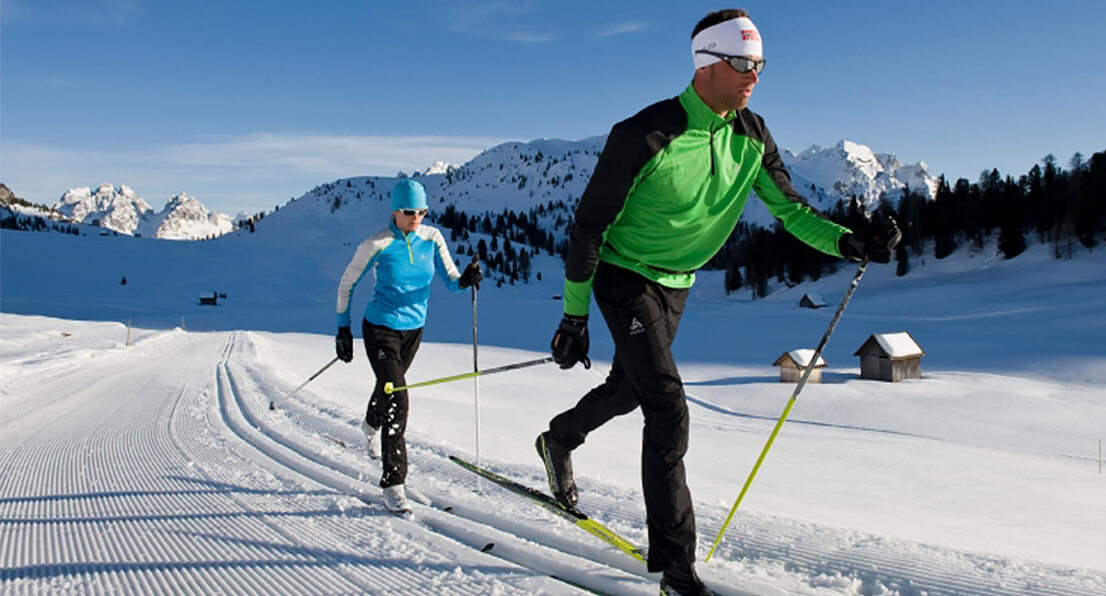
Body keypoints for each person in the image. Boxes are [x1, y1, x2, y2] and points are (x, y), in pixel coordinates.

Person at [534, 9, 899, 596]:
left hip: (677, 283)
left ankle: (558, 439)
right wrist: (573, 316)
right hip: (623, 276)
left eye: (759, 64)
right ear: (706, 64)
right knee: (668, 407)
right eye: (742, 63)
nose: (754, 75)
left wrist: (849, 241)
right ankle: (674, 567)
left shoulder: (751, 134)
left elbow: (791, 211)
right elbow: (587, 229)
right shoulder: (644, 133)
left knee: (632, 389)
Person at [335, 179, 482, 516]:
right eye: (409, 211)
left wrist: (467, 280)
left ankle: (370, 424)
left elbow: (450, 279)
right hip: (380, 329)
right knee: (398, 397)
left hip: (413, 332)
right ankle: (393, 482)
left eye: (422, 211)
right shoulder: (378, 242)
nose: (416, 217)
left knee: (387, 387)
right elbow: (347, 283)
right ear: (395, 211)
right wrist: (342, 328)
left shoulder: (432, 238)